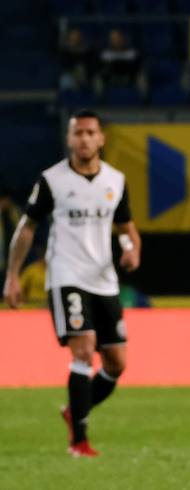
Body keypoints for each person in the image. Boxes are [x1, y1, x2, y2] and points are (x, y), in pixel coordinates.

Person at [3, 109, 141, 457]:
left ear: (101, 138)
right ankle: (78, 440)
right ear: (68, 138)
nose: (84, 139)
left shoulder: (115, 180)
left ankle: (74, 410)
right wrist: (12, 276)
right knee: (83, 348)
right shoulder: (53, 180)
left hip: (104, 279)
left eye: (90, 132)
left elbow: (126, 229)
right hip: (66, 276)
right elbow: (27, 228)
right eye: (77, 133)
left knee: (116, 363)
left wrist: (132, 250)